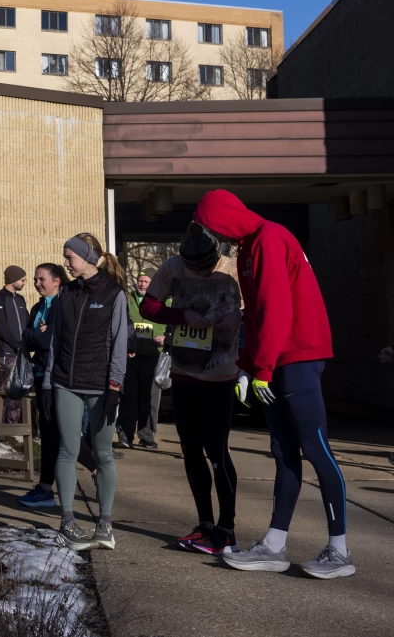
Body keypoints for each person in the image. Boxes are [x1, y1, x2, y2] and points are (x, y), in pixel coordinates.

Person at [194, 190, 352, 579]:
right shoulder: (249, 247)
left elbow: (278, 306)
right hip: (278, 359)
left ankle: (339, 550)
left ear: (224, 220)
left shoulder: (270, 238)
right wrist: (249, 364)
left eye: (213, 229)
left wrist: (261, 367)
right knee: (283, 452)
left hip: (298, 356)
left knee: (316, 448)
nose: (216, 239)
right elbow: (258, 314)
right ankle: (274, 545)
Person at [140, 223, 245, 555]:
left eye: (204, 265)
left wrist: (238, 318)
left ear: (216, 254)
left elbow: (257, 306)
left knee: (217, 449)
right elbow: (148, 307)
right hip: (184, 371)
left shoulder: (232, 269)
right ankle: (205, 525)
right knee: (191, 450)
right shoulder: (172, 267)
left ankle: (226, 529)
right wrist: (182, 314)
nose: (199, 271)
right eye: (193, 266)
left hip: (220, 374)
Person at [41, 233, 128, 552]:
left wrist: (115, 386)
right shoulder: (66, 293)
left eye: (70, 257)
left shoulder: (114, 293)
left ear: (88, 258)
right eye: (65, 257)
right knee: (67, 449)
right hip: (65, 382)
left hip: (100, 386)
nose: (65, 263)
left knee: (103, 454)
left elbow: (120, 343)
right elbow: (54, 341)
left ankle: (104, 524)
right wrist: (49, 383)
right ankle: (67, 523)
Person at [18, 264, 98, 508]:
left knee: (62, 432)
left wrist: (37, 334)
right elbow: (30, 338)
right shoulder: (38, 307)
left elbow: (46, 340)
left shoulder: (63, 305)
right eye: (35, 279)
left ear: (57, 281)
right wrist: (36, 334)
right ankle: (44, 488)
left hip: (58, 378)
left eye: (42, 279)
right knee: (51, 432)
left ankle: (97, 469)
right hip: (41, 376)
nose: (37, 283)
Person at [120, 268, 163, 449]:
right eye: (141, 281)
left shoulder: (164, 301)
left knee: (150, 399)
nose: (142, 284)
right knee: (128, 397)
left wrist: (164, 339)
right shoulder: (128, 300)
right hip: (131, 356)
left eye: (146, 281)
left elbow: (172, 327)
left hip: (154, 357)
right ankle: (125, 435)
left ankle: (146, 436)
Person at [0, 266, 30, 425]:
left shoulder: (20, 299)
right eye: (22, 279)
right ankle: (0, 430)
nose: (25, 283)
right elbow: (1, 327)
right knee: (5, 392)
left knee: (18, 393)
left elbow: (27, 322)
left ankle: (13, 429)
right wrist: (17, 344)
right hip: (7, 353)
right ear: (13, 279)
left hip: (21, 353)